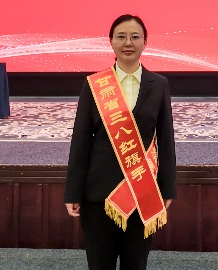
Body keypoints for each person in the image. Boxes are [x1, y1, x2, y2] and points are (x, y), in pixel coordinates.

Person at [65, 14, 176, 270]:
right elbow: (80, 142)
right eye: (121, 37)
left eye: (135, 37)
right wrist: (73, 191)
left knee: (135, 264)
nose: (128, 43)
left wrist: (167, 188)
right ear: (111, 42)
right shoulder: (95, 85)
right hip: (98, 194)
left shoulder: (159, 84)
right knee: (99, 264)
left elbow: (166, 140)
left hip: (142, 192)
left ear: (145, 42)